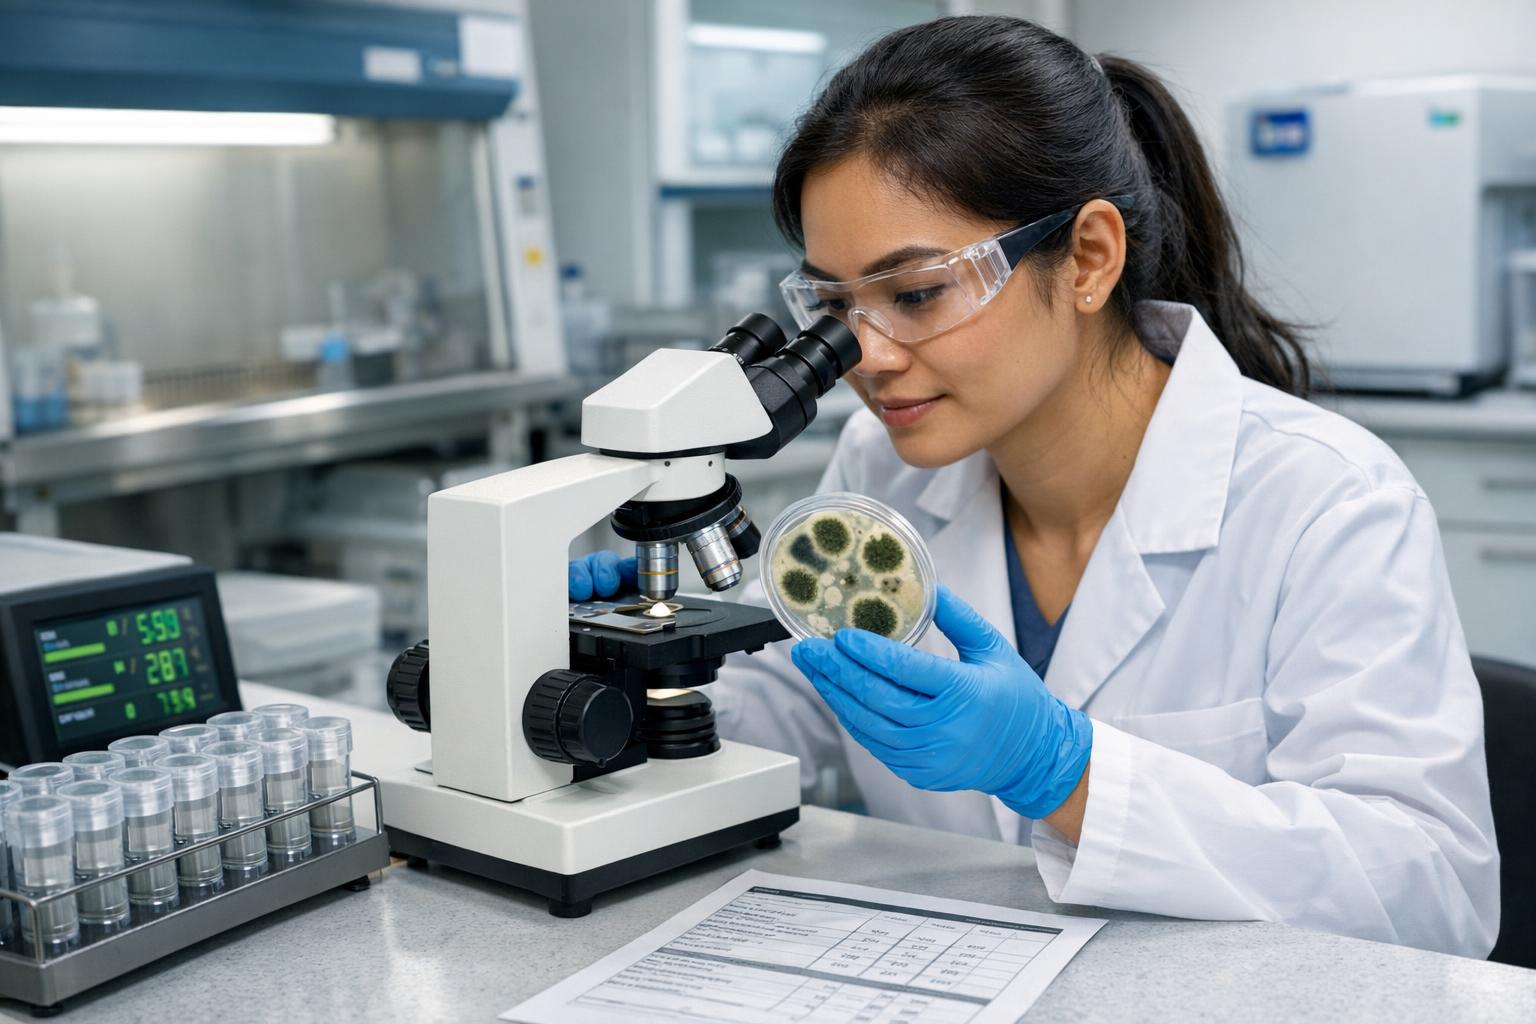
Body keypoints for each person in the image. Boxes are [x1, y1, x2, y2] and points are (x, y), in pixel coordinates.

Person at [568, 15, 1498, 957]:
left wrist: (1066, 774)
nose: (869, 357)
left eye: (918, 292)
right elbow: (785, 712)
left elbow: (1433, 895)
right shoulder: (878, 467)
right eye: (838, 307)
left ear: (1089, 257)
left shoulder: (1326, 503)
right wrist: (642, 672)